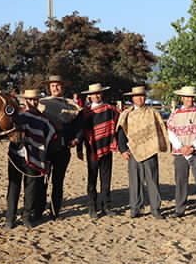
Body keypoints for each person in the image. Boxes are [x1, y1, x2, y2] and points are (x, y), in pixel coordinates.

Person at [0, 89, 56, 229]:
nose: (33, 102)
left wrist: (46, 159)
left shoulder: (44, 120)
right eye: (30, 100)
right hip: (16, 156)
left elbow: (49, 137)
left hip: (35, 157)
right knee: (13, 187)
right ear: (26, 101)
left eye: (36, 100)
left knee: (31, 188)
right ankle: (10, 218)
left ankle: (26, 216)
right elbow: (4, 129)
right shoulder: (18, 116)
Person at [116, 86, 168, 220]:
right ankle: (135, 208)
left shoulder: (152, 113)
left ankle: (155, 208)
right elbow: (121, 133)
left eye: (142, 96)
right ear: (132, 98)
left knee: (152, 180)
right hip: (133, 151)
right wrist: (123, 150)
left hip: (150, 150)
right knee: (135, 181)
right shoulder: (126, 114)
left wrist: (158, 145)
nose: (140, 98)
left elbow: (161, 128)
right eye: (137, 96)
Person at [38, 75, 82, 220]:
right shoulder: (41, 103)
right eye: (52, 86)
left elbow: (78, 127)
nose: (55, 88)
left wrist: (76, 139)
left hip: (63, 149)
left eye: (58, 85)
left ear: (63, 87)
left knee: (58, 181)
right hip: (45, 149)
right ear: (49, 88)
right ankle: (39, 210)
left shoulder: (72, 105)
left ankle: (55, 211)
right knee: (42, 180)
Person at [167, 86, 196, 220]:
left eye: (191, 97)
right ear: (182, 98)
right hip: (180, 153)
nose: (188, 99)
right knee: (180, 181)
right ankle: (180, 208)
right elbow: (171, 132)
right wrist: (180, 147)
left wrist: (193, 146)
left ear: (194, 98)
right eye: (186, 97)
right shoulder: (175, 114)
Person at [77, 83, 120, 218]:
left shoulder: (110, 110)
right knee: (92, 178)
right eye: (94, 94)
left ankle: (106, 206)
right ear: (89, 96)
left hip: (107, 147)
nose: (96, 96)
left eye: (99, 93)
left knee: (106, 179)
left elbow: (120, 125)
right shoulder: (84, 112)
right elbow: (81, 132)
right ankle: (92, 206)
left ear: (102, 94)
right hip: (92, 149)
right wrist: (79, 149)